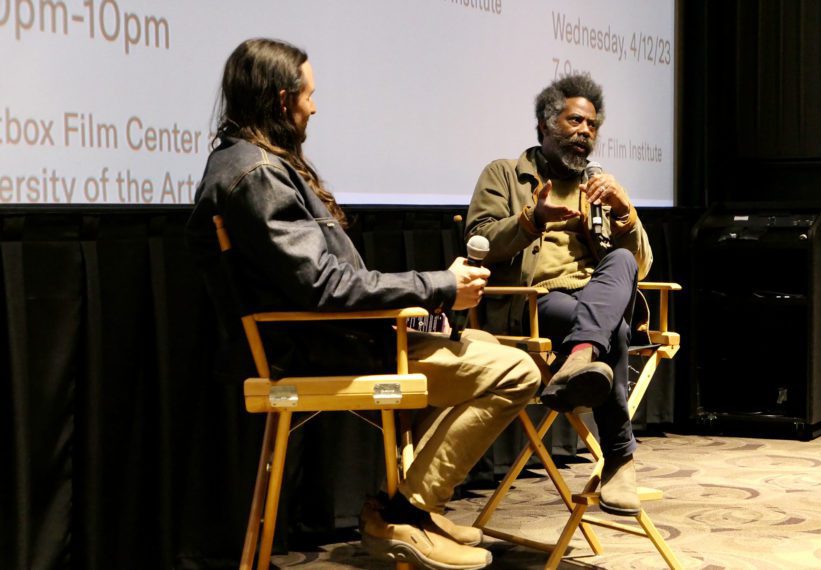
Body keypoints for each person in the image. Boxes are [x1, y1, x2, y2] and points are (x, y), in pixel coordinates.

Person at [185, 38, 540, 570]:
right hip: (325, 350)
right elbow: (326, 287)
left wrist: (431, 298)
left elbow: (324, 282)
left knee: (485, 343)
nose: (315, 107)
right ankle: (406, 510)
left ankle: (404, 506)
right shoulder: (257, 175)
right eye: (309, 95)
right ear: (283, 101)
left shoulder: (251, 164)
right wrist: (439, 285)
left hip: (333, 339)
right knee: (516, 369)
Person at [465, 72, 653, 516]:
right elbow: (478, 242)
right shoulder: (505, 175)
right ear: (545, 126)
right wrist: (532, 218)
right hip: (533, 302)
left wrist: (626, 215)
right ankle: (621, 460)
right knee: (617, 333)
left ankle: (580, 355)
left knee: (622, 264)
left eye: (591, 126)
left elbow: (641, 266)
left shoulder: (601, 186)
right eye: (574, 122)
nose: (585, 132)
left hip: (593, 296)